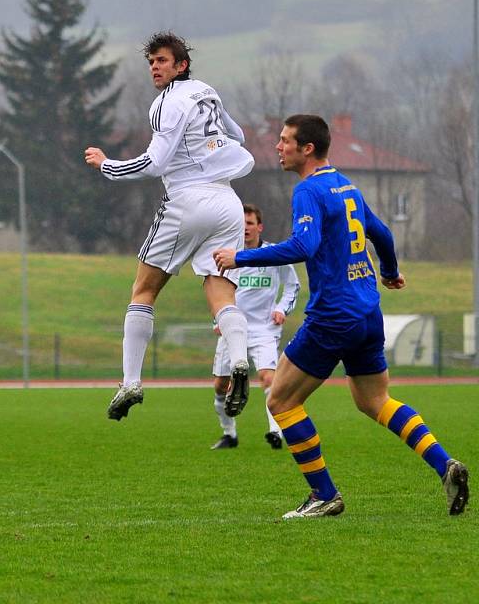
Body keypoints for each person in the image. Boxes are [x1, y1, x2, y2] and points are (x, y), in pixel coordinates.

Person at [214, 114, 469, 518]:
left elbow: (303, 245)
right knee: (375, 400)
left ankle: (323, 495)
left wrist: (240, 257)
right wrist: (388, 272)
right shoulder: (345, 185)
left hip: (333, 315)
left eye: (285, 141)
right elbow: (382, 233)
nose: (278, 147)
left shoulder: (309, 191)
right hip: (368, 311)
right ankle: (445, 464)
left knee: (280, 401)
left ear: (307, 148)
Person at [85, 31, 254, 420]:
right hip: (228, 202)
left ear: (181, 65)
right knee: (220, 291)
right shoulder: (206, 91)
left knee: (143, 289)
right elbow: (238, 136)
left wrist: (107, 166)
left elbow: (155, 162)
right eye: (151, 62)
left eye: (162, 61)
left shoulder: (166, 103)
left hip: (188, 200)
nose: (155, 68)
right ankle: (240, 361)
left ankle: (130, 382)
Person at [210, 203, 300, 451]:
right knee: (221, 385)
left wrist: (281, 308)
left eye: (250, 224)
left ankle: (275, 432)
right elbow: (215, 291)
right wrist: (218, 319)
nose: (245, 228)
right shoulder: (227, 255)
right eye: (242, 224)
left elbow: (292, 286)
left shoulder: (274, 254)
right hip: (232, 329)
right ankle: (229, 434)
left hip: (264, 329)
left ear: (259, 226)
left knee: (268, 376)